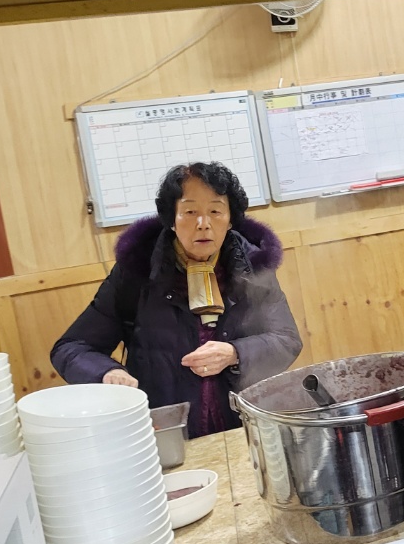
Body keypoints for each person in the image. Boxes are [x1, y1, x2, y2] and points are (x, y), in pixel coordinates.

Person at [52, 162, 302, 437]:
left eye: (215, 211)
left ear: (231, 219)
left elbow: (286, 339)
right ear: (171, 219)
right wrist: (107, 372)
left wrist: (235, 353)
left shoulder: (252, 267)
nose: (203, 224)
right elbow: (72, 347)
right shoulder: (138, 271)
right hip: (167, 429)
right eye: (190, 212)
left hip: (242, 426)